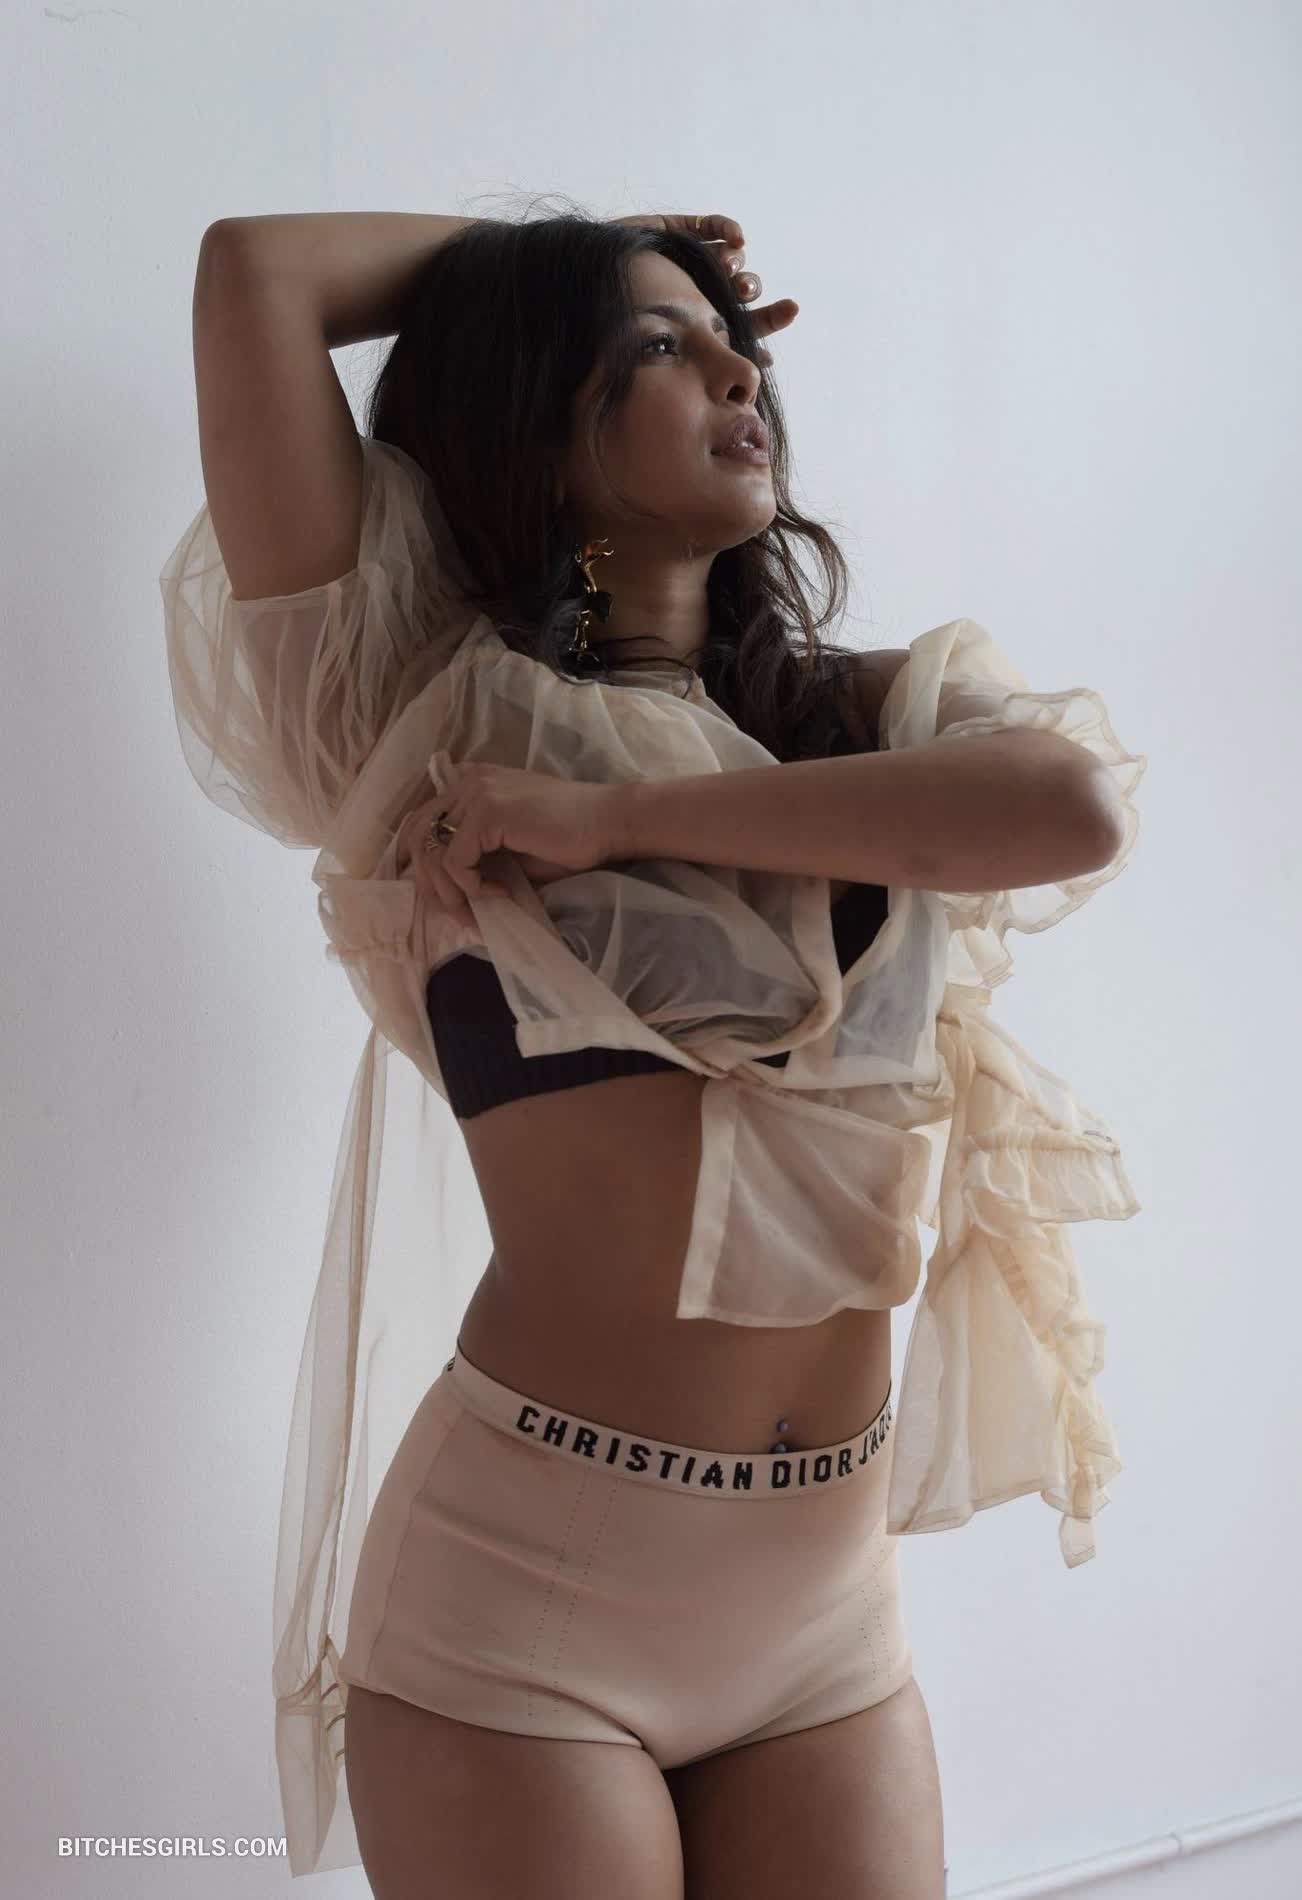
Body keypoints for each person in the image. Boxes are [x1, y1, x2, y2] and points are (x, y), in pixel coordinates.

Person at [161, 205, 1144, 1897]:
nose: (738, 379)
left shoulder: (853, 719)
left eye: (731, 346)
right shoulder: (417, 722)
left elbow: (1071, 811)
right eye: (659, 353)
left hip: (823, 1619)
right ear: (534, 420)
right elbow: (255, 272)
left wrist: (616, 819)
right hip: (527, 1607)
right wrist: (594, 244)